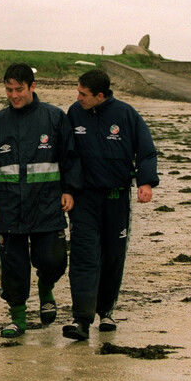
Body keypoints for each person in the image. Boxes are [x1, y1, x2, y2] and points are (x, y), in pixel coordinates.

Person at [0, 63, 81, 338]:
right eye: (9, 90)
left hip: (47, 203)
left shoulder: (55, 118)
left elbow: (70, 158)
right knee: (13, 266)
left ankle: (46, 288)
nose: (13, 95)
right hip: (8, 206)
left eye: (19, 89)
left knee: (53, 260)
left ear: (32, 86)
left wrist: (69, 189)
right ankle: (18, 317)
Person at [62, 69, 159, 341]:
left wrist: (145, 182)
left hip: (116, 199)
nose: (78, 98)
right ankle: (81, 320)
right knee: (83, 257)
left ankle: (106, 311)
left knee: (112, 257)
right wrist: (67, 189)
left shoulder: (126, 115)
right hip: (84, 199)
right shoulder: (75, 113)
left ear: (100, 95)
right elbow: (67, 155)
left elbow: (147, 151)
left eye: (83, 94)